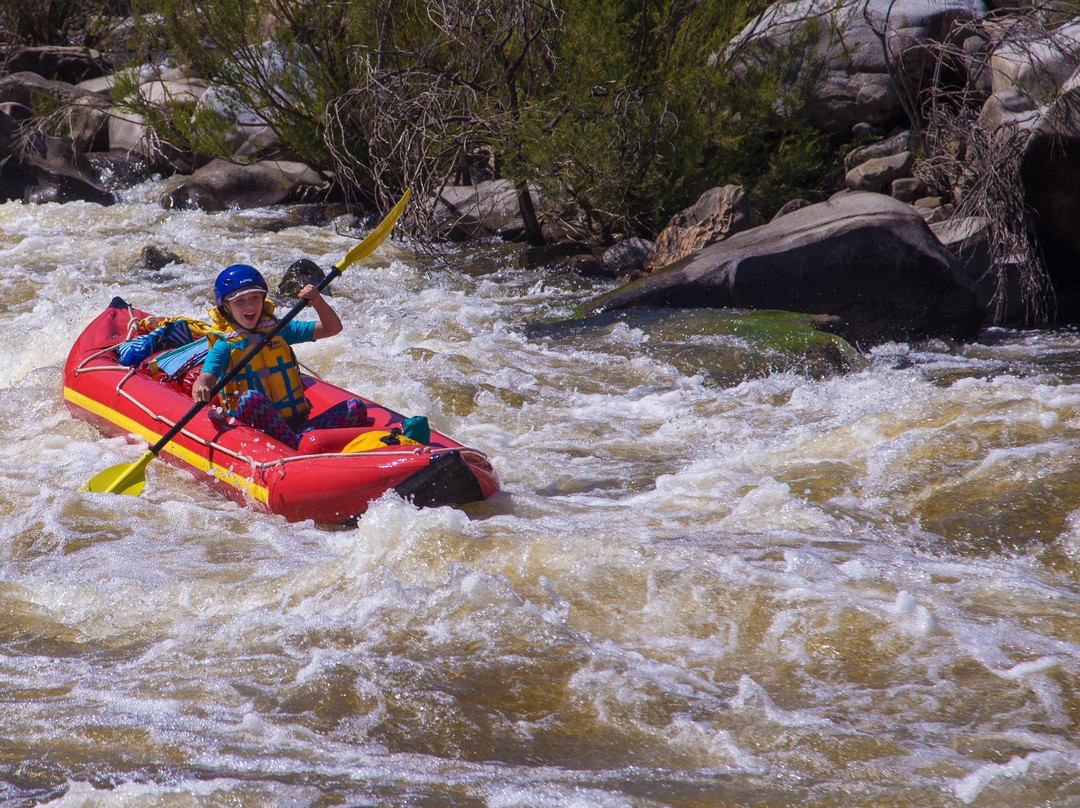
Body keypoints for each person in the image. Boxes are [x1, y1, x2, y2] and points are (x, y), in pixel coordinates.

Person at [191, 263, 369, 448]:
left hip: (296, 424)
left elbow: (332, 328)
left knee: (355, 407)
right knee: (249, 399)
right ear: (226, 307)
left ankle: (300, 441)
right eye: (240, 301)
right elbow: (208, 375)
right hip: (256, 426)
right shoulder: (224, 345)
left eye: (255, 297)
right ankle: (300, 446)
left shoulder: (279, 328)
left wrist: (318, 301)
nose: (250, 305)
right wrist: (201, 384)